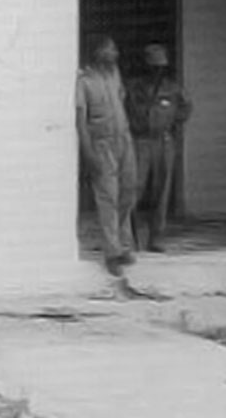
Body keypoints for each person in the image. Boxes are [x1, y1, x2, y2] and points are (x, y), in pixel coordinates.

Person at [76, 34, 138, 276]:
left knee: (128, 191)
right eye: (110, 50)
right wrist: (88, 151)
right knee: (108, 197)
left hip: (124, 139)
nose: (115, 54)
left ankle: (124, 244)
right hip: (102, 144)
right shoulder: (84, 81)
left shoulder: (115, 74)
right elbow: (81, 121)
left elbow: (121, 100)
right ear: (98, 52)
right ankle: (112, 252)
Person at [125, 43, 192, 252]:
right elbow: (124, 108)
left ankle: (156, 237)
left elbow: (186, 107)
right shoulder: (133, 86)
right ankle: (130, 236)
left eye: (160, 67)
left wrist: (172, 121)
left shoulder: (172, 87)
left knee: (162, 189)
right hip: (140, 140)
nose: (157, 71)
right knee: (134, 187)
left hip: (163, 140)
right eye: (153, 66)